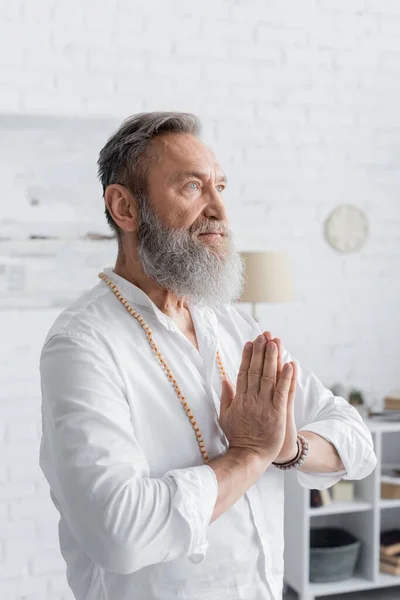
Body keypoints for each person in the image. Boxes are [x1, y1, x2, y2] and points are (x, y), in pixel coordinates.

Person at [39, 112, 376, 600]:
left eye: (220, 186)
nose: (219, 208)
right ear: (124, 208)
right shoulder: (81, 343)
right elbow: (121, 533)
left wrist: (287, 448)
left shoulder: (234, 325)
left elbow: (356, 440)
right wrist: (248, 454)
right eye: (192, 188)